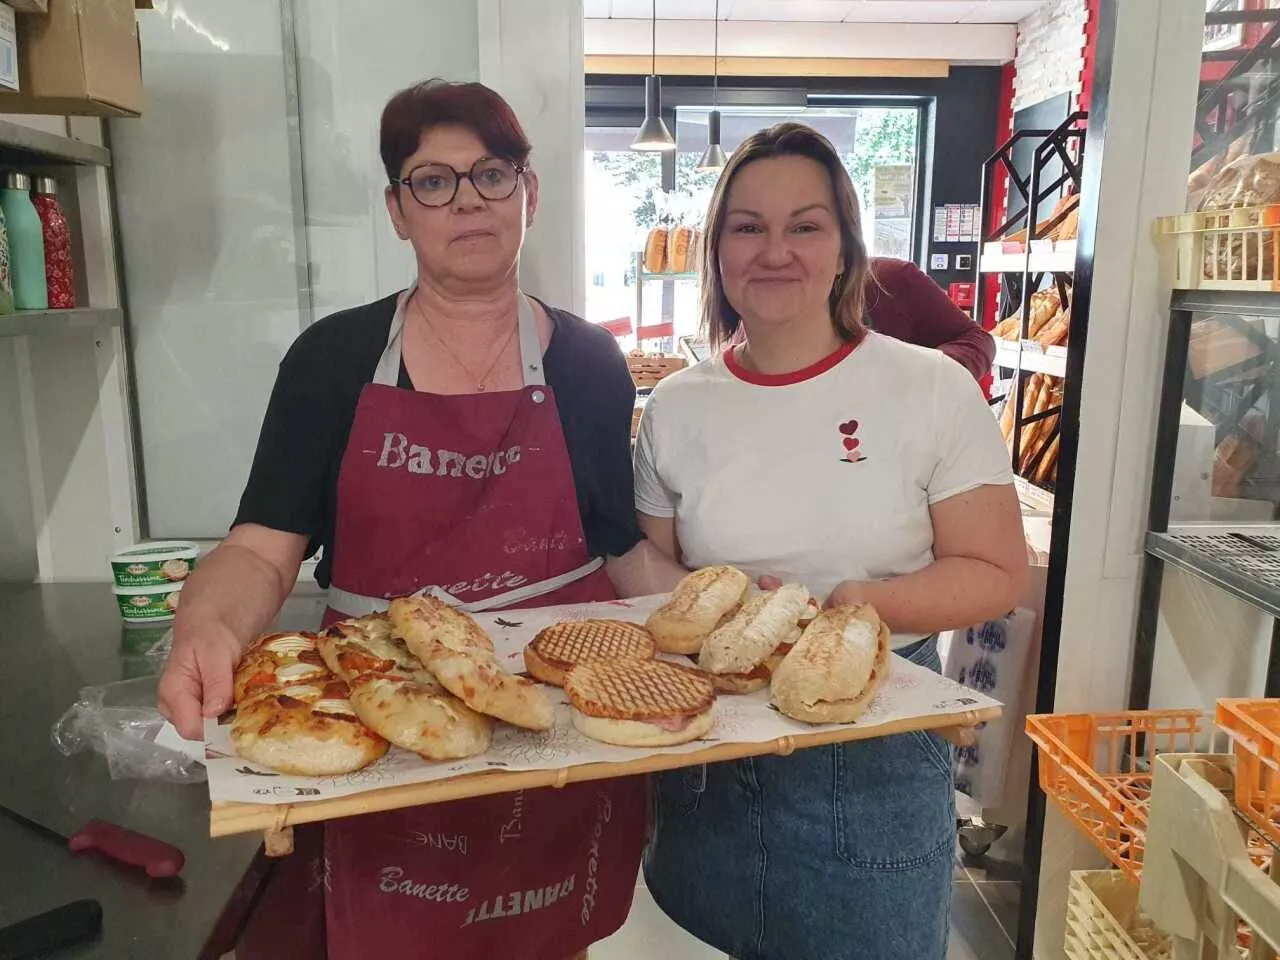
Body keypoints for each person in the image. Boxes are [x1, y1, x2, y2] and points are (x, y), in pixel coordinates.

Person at [157, 79, 684, 960]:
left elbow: (619, 548)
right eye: (432, 181)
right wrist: (204, 626)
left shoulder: (591, 362)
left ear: (531, 191)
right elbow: (259, 547)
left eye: (492, 173)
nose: (468, 199)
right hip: (382, 716)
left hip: (549, 722)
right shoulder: (333, 359)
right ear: (399, 211)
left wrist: (719, 614)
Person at [632, 122, 1028, 960]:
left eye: (804, 225)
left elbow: (996, 570)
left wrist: (854, 608)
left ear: (846, 250)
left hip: (872, 761)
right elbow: (654, 570)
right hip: (707, 760)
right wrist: (716, 613)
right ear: (719, 252)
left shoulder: (927, 387)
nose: (775, 250)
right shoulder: (676, 408)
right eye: (749, 226)